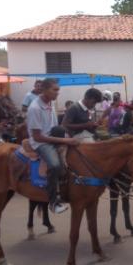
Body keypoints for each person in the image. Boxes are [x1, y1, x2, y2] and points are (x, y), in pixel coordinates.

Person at [26, 78, 78, 214]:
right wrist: (65, 141)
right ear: (44, 90)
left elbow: (54, 127)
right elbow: (37, 137)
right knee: (55, 165)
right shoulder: (35, 108)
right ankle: (53, 202)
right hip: (41, 142)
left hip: (51, 136)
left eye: (58, 90)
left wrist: (65, 136)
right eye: (55, 90)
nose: (58, 93)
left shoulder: (50, 104)